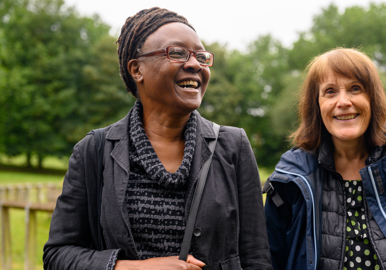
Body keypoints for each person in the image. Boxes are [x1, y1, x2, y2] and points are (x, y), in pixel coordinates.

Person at [43, 7, 271, 270]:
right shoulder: (93, 151)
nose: (195, 64)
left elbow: (256, 258)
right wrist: (133, 267)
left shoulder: (233, 146)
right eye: (177, 53)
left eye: (201, 56)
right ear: (137, 69)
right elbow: (58, 255)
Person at [264, 48, 386, 270]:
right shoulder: (288, 182)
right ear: (316, 105)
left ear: (373, 98)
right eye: (330, 91)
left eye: (355, 88)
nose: (343, 101)